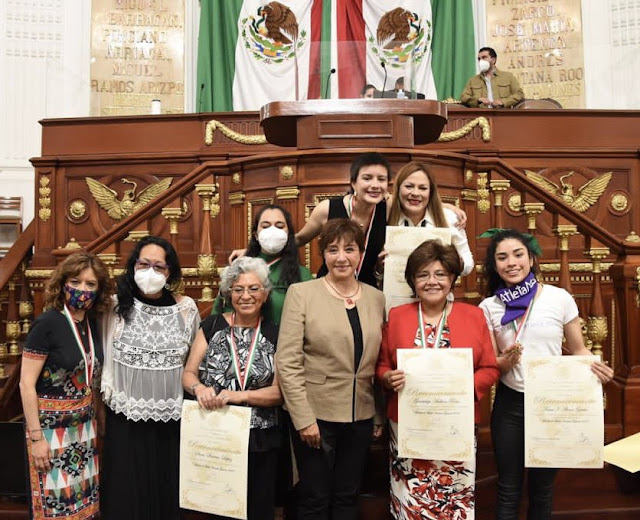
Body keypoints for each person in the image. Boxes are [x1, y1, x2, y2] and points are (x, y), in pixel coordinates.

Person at [478, 228, 614, 520]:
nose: (511, 262)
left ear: (531, 259)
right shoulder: (488, 307)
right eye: (502, 257)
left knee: (542, 489)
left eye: (518, 254)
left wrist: (597, 366)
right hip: (509, 406)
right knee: (509, 488)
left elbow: (578, 349)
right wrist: (506, 360)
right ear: (495, 265)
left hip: (552, 406)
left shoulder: (559, 298)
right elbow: (492, 366)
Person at [376, 240, 499, 518]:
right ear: (412, 280)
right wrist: (387, 378)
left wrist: (462, 387)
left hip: (456, 423)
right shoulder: (397, 317)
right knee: (411, 498)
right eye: (423, 275)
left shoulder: (474, 316)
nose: (432, 281)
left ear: (453, 277)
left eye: (440, 274)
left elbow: (490, 368)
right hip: (409, 425)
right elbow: (382, 365)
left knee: (454, 500)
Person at [276, 219, 386, 519]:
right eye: (333, 249)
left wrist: (377, 412)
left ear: (360, 254)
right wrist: (303, 419)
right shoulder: (302, 293)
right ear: (322, 254)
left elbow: (377, 361)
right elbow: (287, 361)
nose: (341, 257)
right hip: (315, 416)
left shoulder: (376, 298)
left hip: (360, 415)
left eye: (349, 249)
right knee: (314, 497)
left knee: (348, 496)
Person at [100, 236, 200, 520]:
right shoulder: (114, 306)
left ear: (170, 273)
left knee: (165, 491)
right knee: (126, 494)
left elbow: (193, 360)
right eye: (144, 264)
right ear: (133, 266)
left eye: (159, 266)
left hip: (170, 419)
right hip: (124, 417)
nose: (150, 272)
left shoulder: (186, 309)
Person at [183, 256, 282, 520]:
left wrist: (238, 396)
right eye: (238, 289)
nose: (245, 295)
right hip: (215, 435)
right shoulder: (212, 326)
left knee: (258, 509)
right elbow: (188, 374)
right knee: (218, 509)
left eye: (253, 288)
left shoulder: (277, 333)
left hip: (261, 439)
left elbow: (279, 392)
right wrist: (198, 388)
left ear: (265, 293)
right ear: (228, 294)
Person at [19, 252, 112, 520]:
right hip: (49, 430)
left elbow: (91, 377)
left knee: (83, 507)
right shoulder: (47, 323)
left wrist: (100, 419)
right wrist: (37, 438)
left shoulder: (92, 324)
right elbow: (26, 384)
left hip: (84, 428)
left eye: (90, 284)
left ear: (99, 289)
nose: (83, 289)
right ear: (62, 284)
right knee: (55, 507)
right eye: (76, 281)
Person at [213, 204, 312, 324]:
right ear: (256, 234)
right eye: (265, 226)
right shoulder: (239, 269)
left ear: (288, 234)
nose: (272, 231)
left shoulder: (303, 275)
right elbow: (218, 315)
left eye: (279, 226)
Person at [387, 160, 474, 275]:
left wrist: (458, 262)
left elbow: (468, 263)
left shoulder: (450, 217)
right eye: (409, 186)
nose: (415, 193)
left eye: (423, 188)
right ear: (398, 189)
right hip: (394, 291)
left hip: (436, 289)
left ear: (430, 192)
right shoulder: (385, 215)